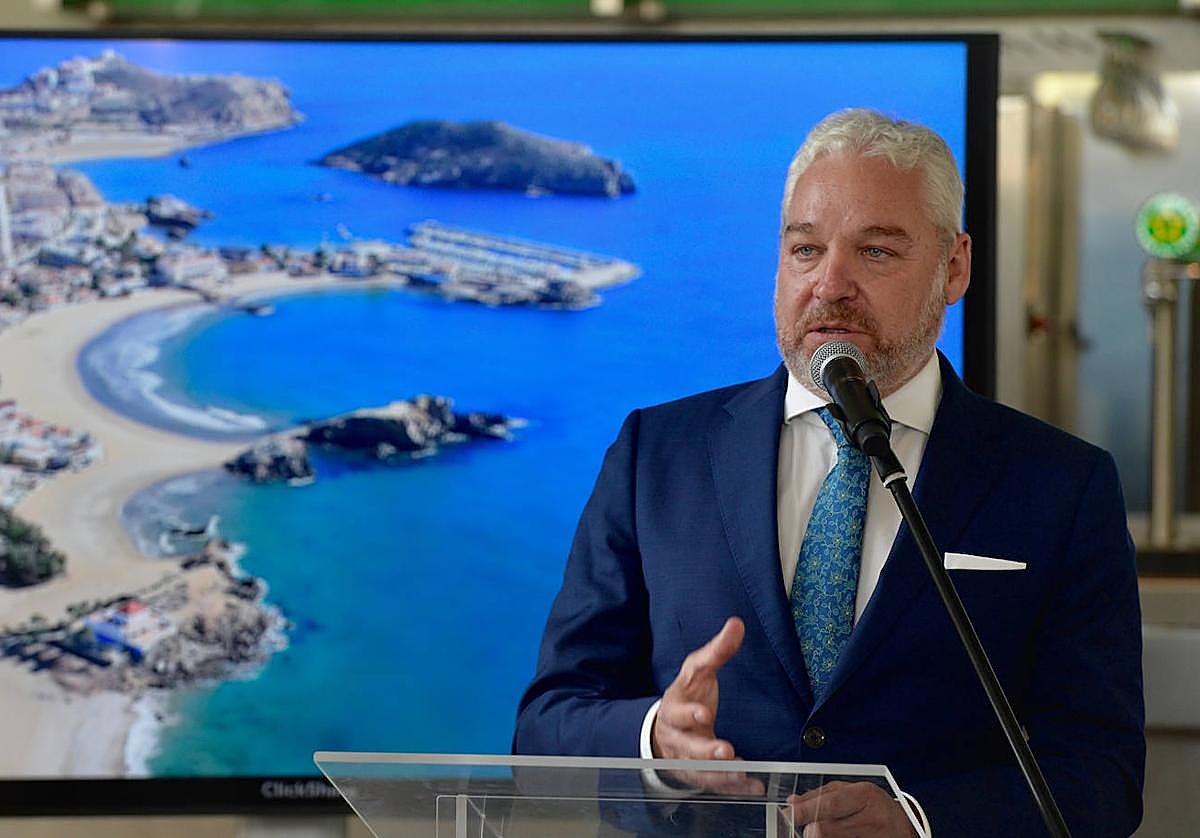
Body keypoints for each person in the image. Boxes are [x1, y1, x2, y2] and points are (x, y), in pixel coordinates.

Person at [512, 109, 1144, 837]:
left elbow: (1102, 775)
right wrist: (657, 739)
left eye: (875, 252)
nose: (830, 283)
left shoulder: (1061, 486)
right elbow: (543, 737)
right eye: (805, 249)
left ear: (955, 268)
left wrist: (921, 822)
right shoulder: (658, 454)